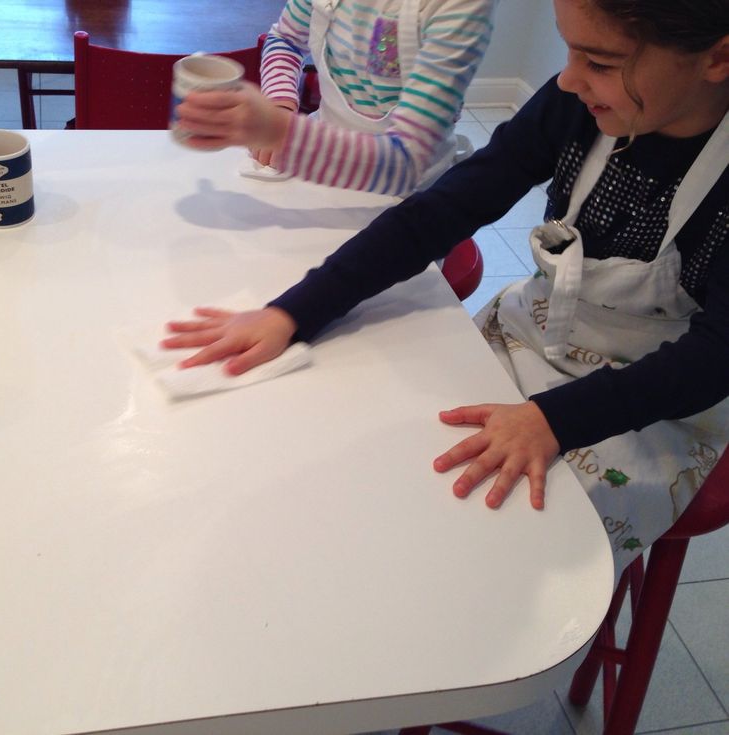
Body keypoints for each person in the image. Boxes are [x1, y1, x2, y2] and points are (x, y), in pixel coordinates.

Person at [162, 0, 729, 576]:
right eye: (569, 50)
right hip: (536, 332)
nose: (567, 78)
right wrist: (294, 311)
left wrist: (553, 420)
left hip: (656, 399)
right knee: (385, 461)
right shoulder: (577, 104)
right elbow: (445, 207)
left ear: (717, 57)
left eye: (602, 63)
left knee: (504, 554)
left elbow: (713, 358)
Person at [173, 0, 496, 196]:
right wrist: (280, 102)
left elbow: (404, 166)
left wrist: (279, 131)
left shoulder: (459, 9)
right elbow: (285, 39)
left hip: (411, 194)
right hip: (321, 162)